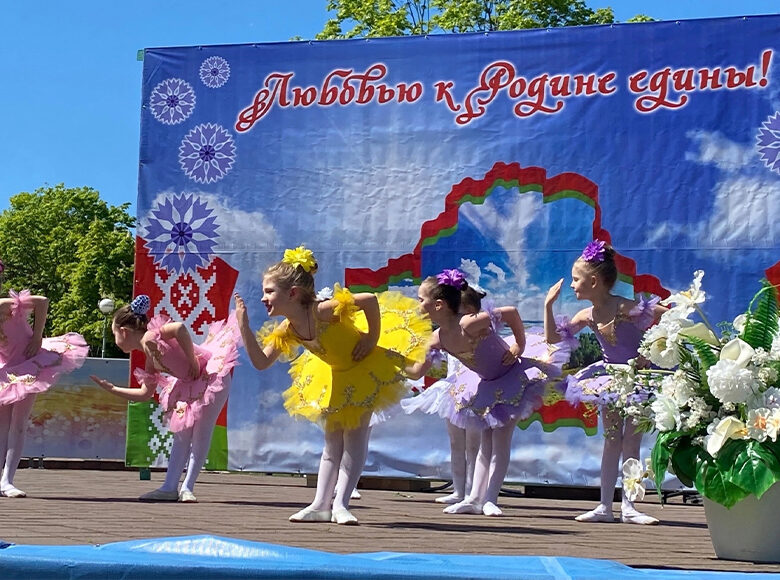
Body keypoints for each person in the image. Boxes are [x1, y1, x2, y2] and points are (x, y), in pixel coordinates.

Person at [235, 246, 430, 525]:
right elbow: (260, 362)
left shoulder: (322, 311)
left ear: (292, 293)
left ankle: (341, 503)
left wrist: (371, 339)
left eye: (269, 291)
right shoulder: (288, 329)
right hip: (335, 373)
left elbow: (369, 300)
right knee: (332, 441)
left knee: (354, 436)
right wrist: (243, 325)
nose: (264, 298)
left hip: (363, 367)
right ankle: (319, 504)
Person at [406, 269, 549, 517]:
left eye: (421, 299)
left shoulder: (470, 323)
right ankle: (474, 498)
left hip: (511, 378)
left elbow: (512, 313)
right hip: (484, 384)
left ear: (438, 305)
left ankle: (491, 498)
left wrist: (519, 344)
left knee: (499, 441)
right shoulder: (436, 337)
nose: (418, 304)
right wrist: (392, 359)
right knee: (485, 442)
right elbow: (418, 371)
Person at [544, 240, 665, 525]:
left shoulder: (625, 308)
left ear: (594, 281)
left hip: (637, 381)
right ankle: (604, 506)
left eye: (576, 280)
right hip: (609, 381)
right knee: (612, 440)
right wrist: (548, 305)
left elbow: (667, 316)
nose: (572, 285)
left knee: (631, 441)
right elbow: (553, 340)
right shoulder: (586, 315)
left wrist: (649, 353)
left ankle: (630, 507)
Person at [90, 295, 240, 503]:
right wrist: (113, 389)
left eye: (114, 333)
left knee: (201, 431)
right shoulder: (150, 358)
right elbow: (144, 394)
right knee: (182, 433)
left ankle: (187, 487)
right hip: (190, 383)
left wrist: (192, 361)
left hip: (212, 374)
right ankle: (170, 486)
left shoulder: (152, 336)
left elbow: (179, 328)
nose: (115, 339)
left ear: (124, 331)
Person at [0, 282, 88, 498]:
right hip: (7, 369)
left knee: (18, 424)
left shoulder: (3, 305)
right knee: (2, 425)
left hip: (30, 364)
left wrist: (38, 335)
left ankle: (7, 480)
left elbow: (42, 301)